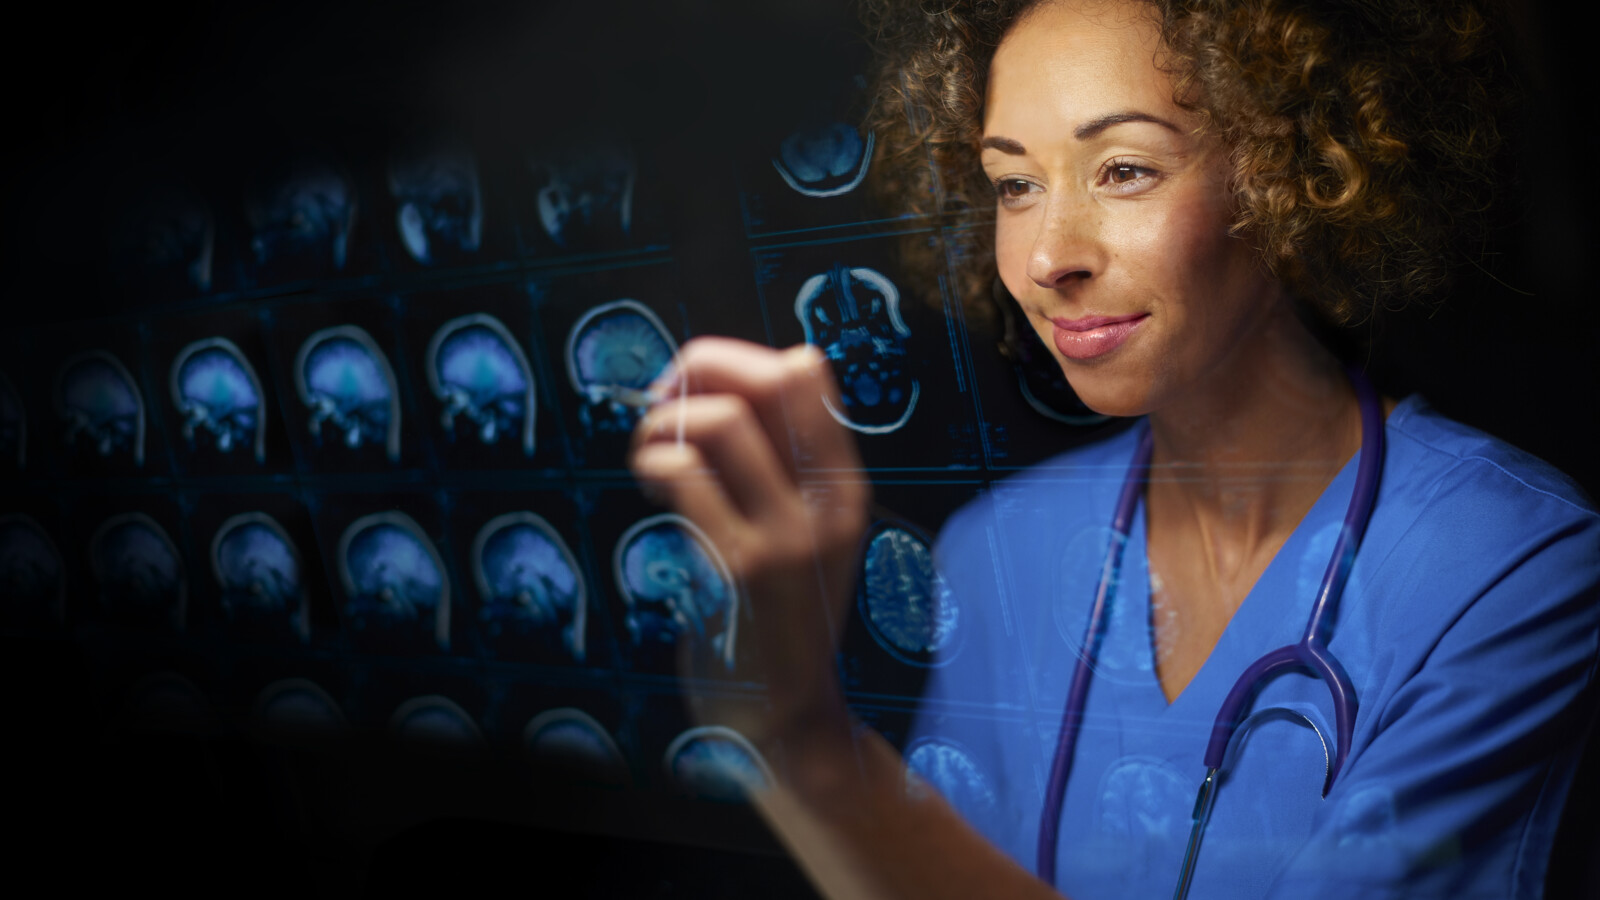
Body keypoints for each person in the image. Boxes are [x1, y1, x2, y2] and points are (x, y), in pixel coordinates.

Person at [629, 0, 1600, 897]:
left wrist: (801, 736)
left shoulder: (1509, 564)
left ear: (1292, 175)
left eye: (1124, 170)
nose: (1049, 257)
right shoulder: (998, 545)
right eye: (1013, 183)